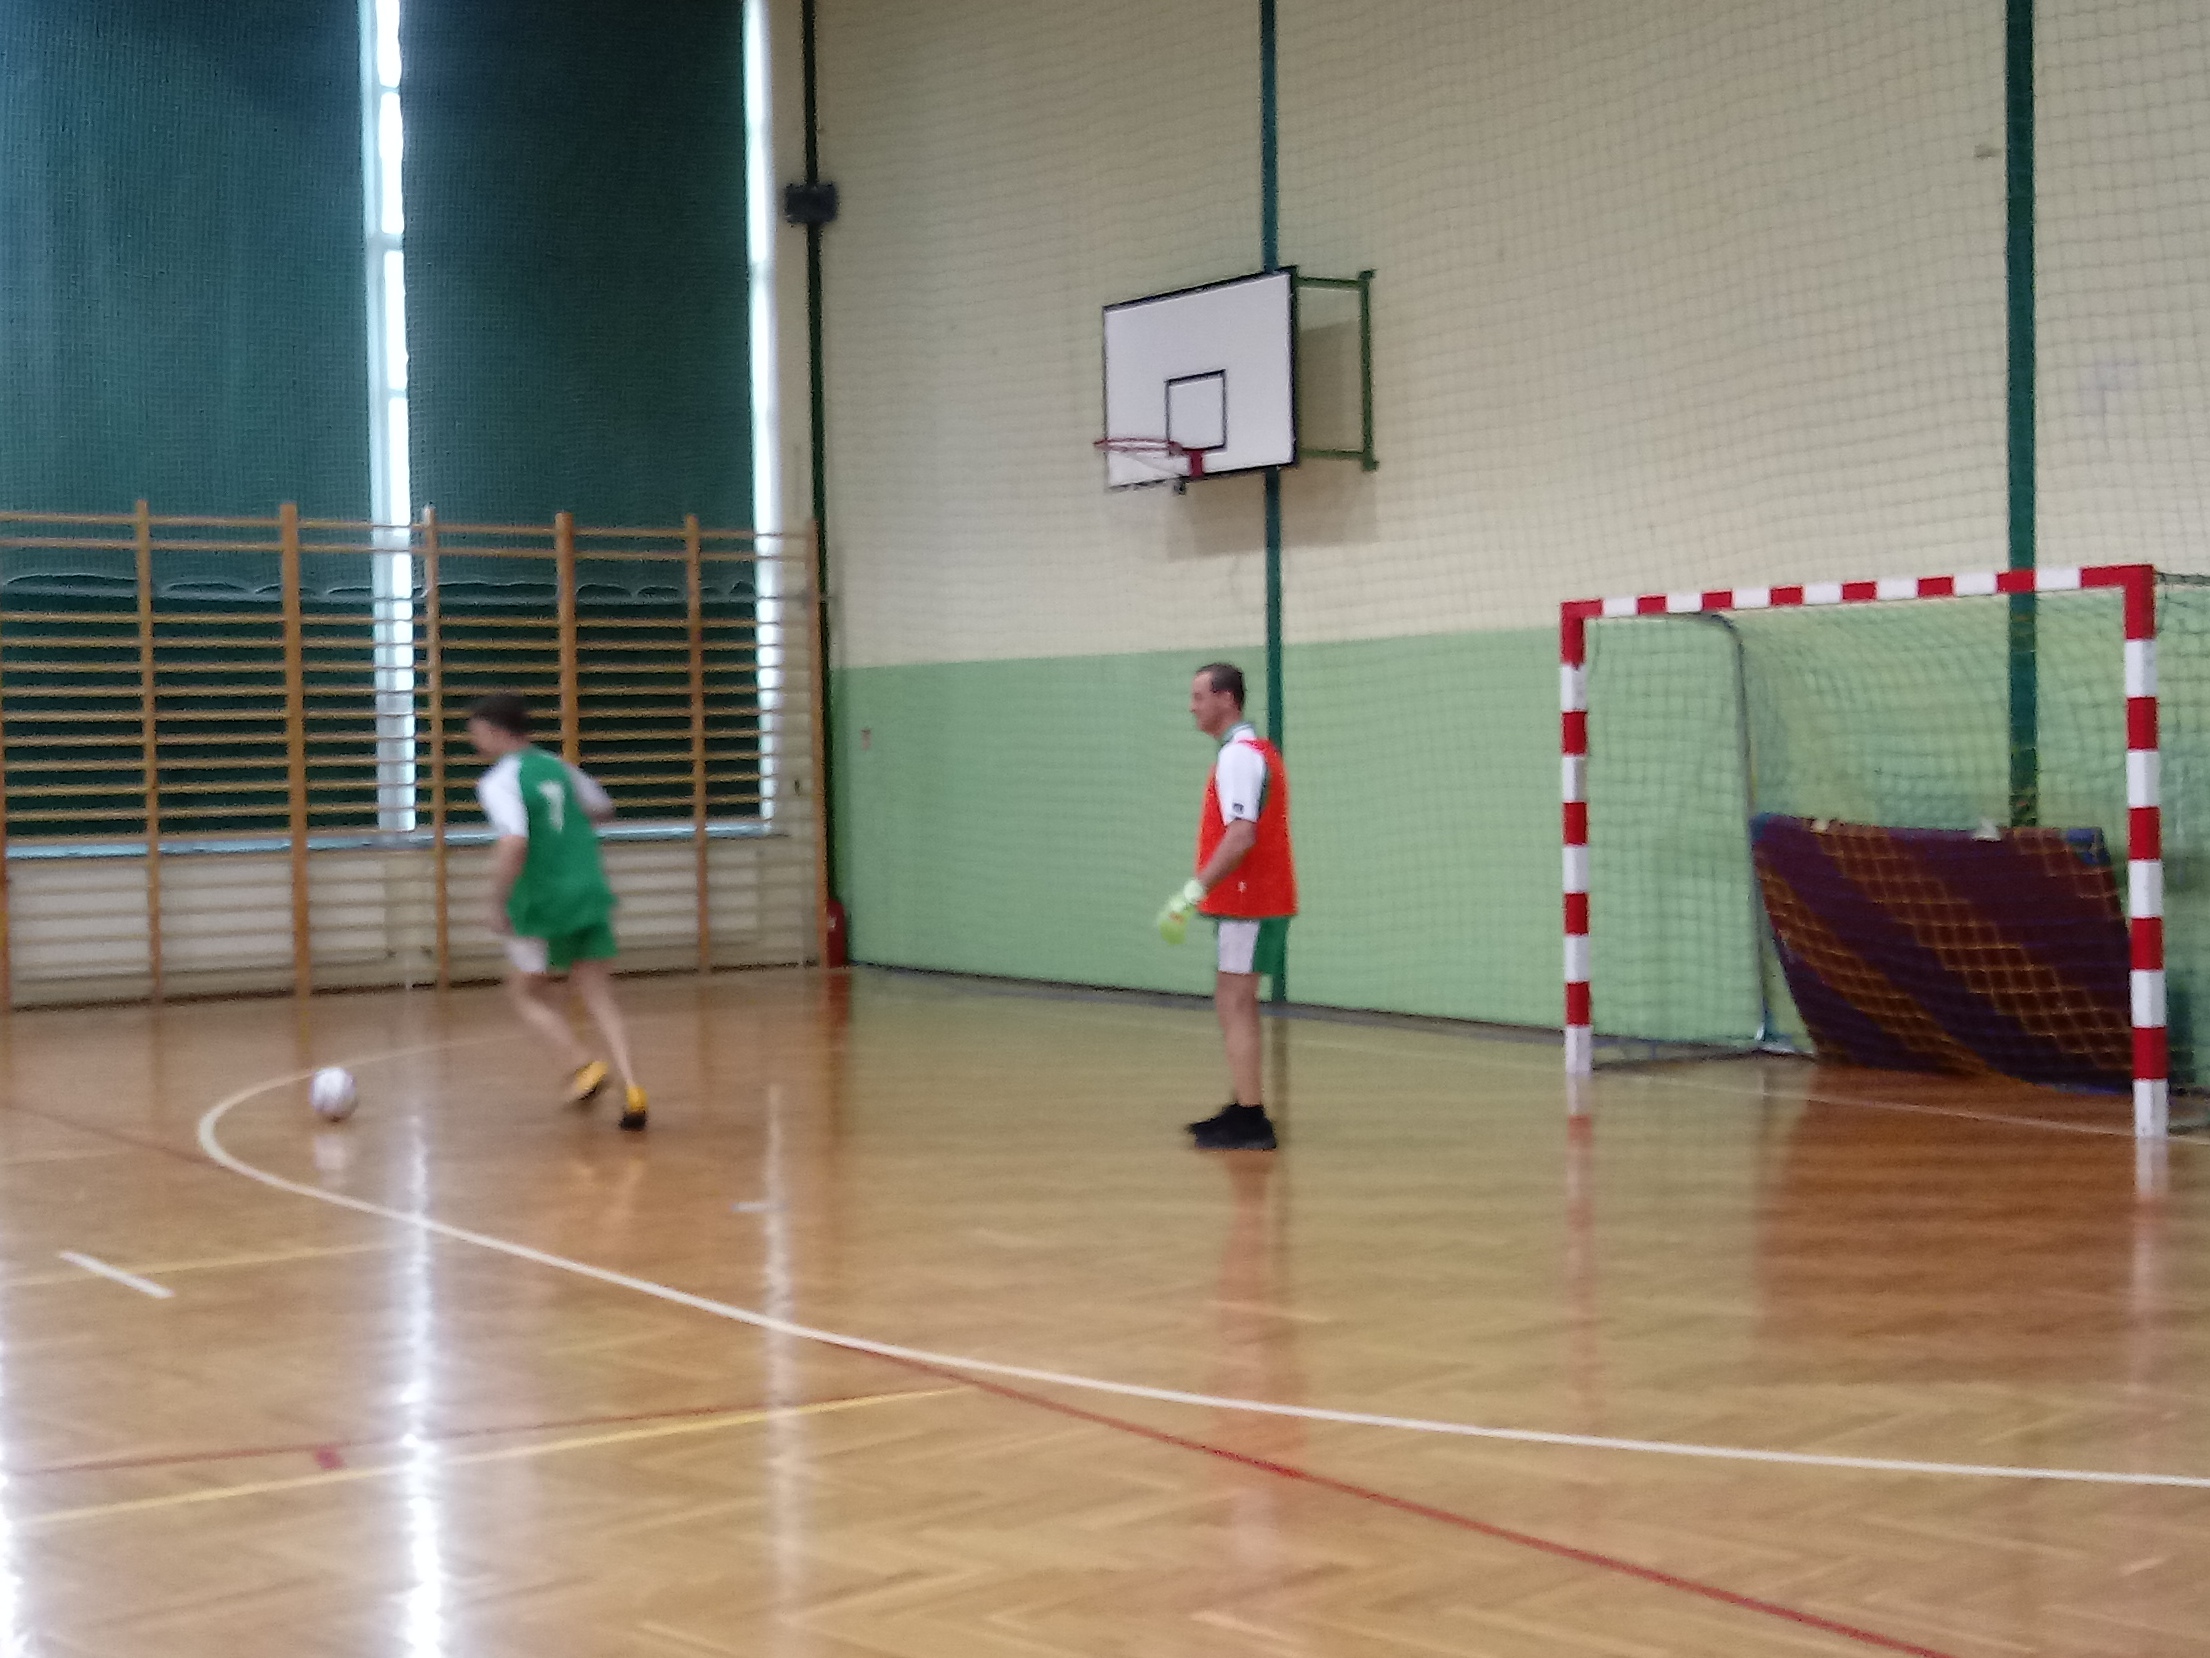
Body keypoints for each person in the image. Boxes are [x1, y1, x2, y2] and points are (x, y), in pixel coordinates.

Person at [467, 693, 648, 1131]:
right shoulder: (559, 768)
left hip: (543, 898)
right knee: (597, 994)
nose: (473, 741)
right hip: (588, 888)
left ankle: (581, 1063)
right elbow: (603, 809)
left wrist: (494, 903)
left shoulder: (499, 781)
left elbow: (515, 842)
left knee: (525, 992)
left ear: (493, 730)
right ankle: (633, 1091)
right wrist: (566, 835)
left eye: (475, 732)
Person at [1158, 663, 1297, 1150]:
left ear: (1226, 699)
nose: (1191, 707)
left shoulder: (1239, 756)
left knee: (1235, 1002)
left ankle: (1252, 1120)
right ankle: (1244, 1106)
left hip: (1249, 900)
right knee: (1232, 999)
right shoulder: (1249, 752)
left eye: (1199, 696)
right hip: (1249, 900)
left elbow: (1241, 836)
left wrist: (1190, 894)